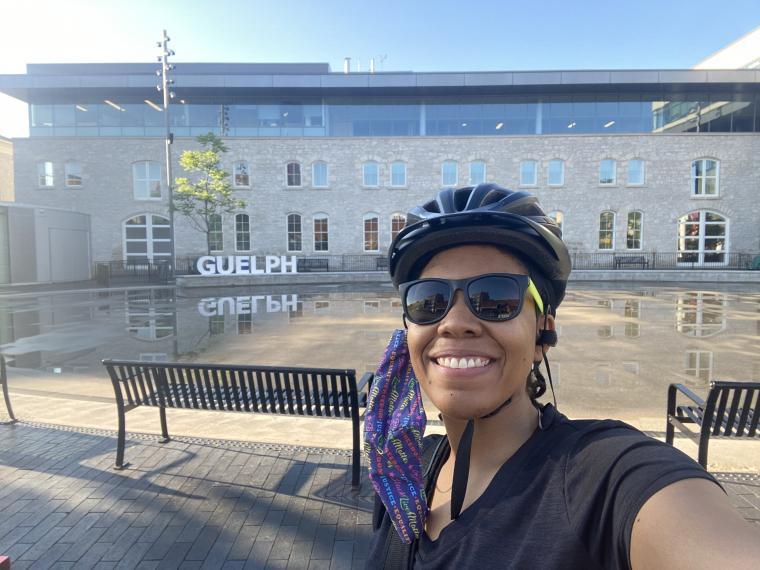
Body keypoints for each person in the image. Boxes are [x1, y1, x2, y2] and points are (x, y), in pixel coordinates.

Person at [364, 184, 760, 569]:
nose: (454, 323)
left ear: (543, 333)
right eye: (428, 300)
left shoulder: (600, 478)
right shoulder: (402, 471)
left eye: (495, 298)